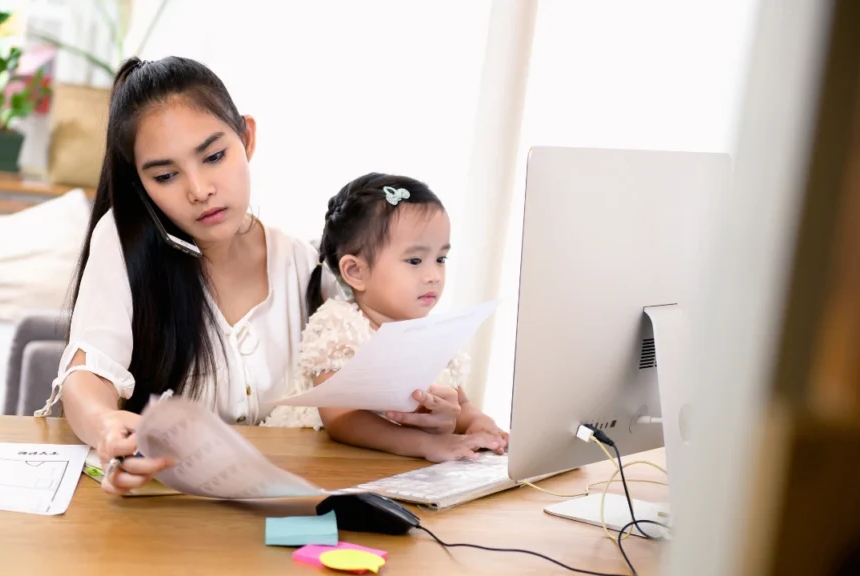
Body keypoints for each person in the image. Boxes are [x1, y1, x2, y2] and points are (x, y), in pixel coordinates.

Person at [34, 57, 487, 495]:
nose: (198, 189)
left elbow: (385, 363)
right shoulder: (123, 241)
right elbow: (88, 373)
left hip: (288, 510)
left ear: (247, 138)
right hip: (163, 514)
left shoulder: (305, 265)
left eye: (213, 156)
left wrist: (439, 411)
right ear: (140, 184)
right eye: (166, 175)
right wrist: (105, 424)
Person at [261, 173, 510, 462]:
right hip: (315, 464)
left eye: (441, 259)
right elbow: (341, 419)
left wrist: (476, 422)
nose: (433, 276)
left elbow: (460, 402)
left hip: (386, 467)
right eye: (415, 261)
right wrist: (424, 444)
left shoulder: (433, 334)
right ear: (356, 271)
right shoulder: (340, 325)